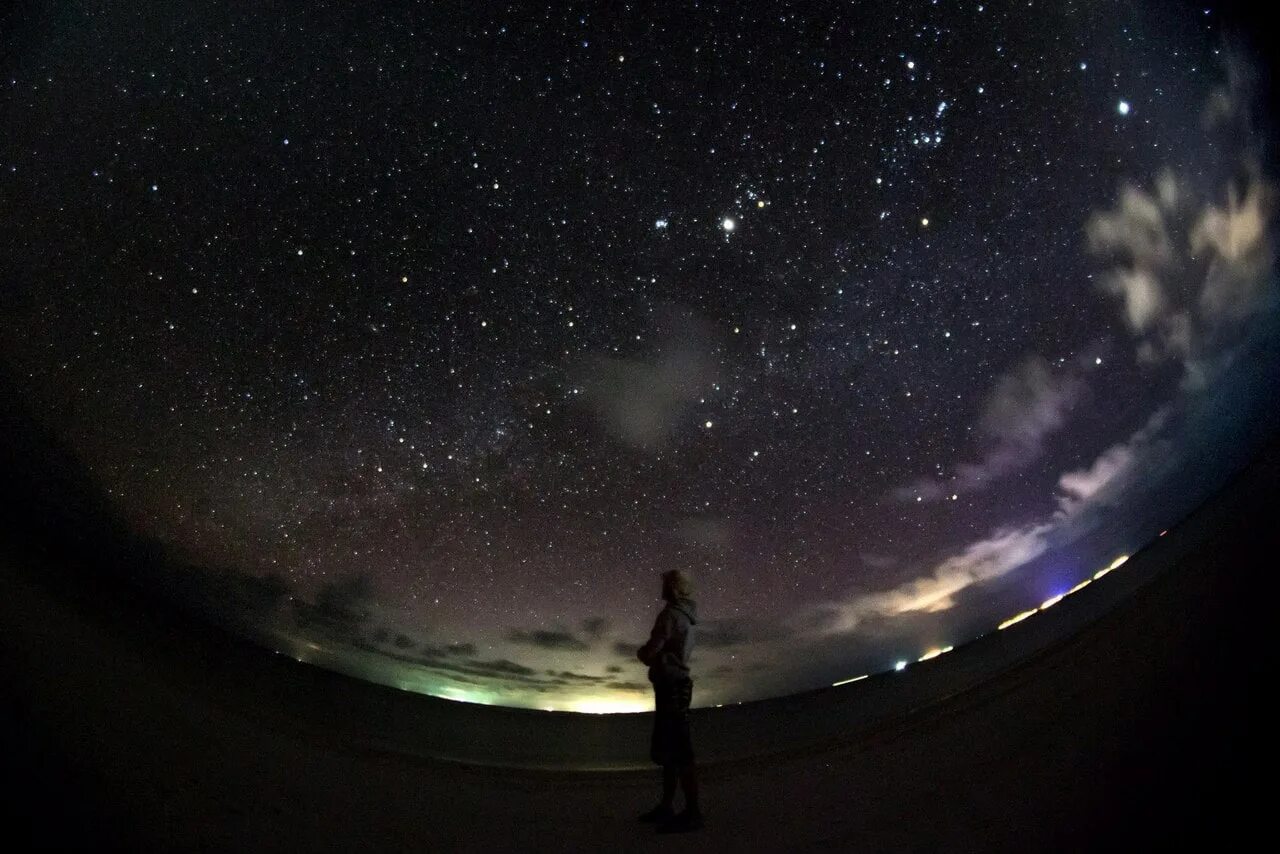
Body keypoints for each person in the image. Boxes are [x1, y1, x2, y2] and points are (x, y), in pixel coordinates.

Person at [635, 569, 702, 833]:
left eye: (665, 584)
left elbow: (651, 652)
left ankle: (692, 813)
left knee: (679, 752)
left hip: (670, 688)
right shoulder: (687, 619)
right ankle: (668, 806)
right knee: (673, 750)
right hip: (679, 686)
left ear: (672, 588)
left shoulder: (669, 616)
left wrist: (642, 653)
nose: (661, 587)